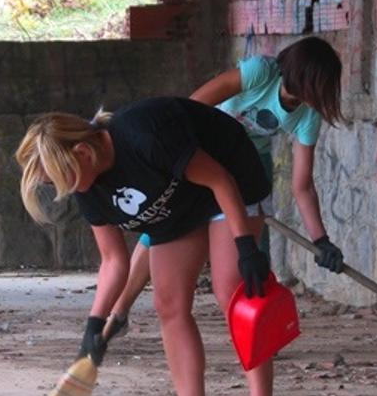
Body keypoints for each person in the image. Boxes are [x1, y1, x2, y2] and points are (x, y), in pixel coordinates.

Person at [16, 96, 279, 396]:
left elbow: (218, 180)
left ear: (83, 153)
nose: (64, 189)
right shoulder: (89, 190)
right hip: (178, 206)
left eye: (60, 179)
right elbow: (114, 260)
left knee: (232, 291)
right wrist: (94, 326)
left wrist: (246, 248)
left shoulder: (144, 136)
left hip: (231, 181)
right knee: (168, 305)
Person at [107, 36, 347, 355]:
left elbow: (302, 185)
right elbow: (190, 107)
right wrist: (177, 156)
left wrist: (321, 240)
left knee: (241, 265)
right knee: (159, 231)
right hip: (201, 151)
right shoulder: (260, 71)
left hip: (246, 166)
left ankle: (256, 333)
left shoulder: (308, 116)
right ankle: (118, 313)